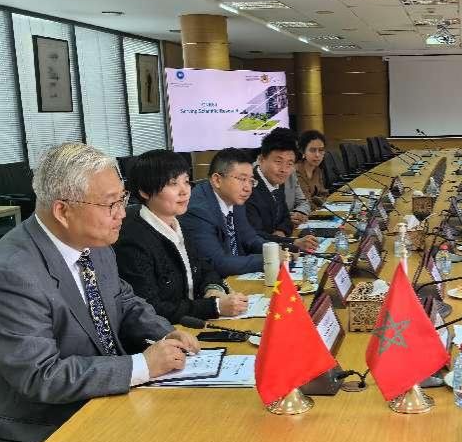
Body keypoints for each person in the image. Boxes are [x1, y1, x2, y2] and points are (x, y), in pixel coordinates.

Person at [0, 143, 199, 442]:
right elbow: (42, 376)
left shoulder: (93, 242)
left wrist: (164, 331)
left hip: (103, 405)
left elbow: (122, 299)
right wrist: (142, 365)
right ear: (63, 211)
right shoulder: (10, 276)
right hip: (42, 436)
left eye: (122, 199)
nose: (122, 214)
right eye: (110, 204)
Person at [115, 149, 249, 323]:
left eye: (186, 181)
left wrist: (213, 289)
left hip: (194, 323)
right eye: (173, 183)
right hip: (167, 332)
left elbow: (205, 267)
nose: (184, 191)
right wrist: (214, 306)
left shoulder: (177, 224)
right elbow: (151, 308)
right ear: (145, 192)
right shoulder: (133, 241)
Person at [180, 148, 267, 278]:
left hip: (238, 278)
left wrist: (277, 250)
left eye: (251, 181)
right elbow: (217, 263)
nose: (248, 188)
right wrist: (269, 259)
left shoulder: (234, 200)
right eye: (242, 179)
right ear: (217, 180)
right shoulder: (198, 210)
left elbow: (250, 238)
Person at [245, 128, 319, 252]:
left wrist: (282, 231)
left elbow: (285, 217)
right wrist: (291, 243)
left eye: (289, 164)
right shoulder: (248, 187)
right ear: (262, 159)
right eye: (278, 162)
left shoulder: (277, 181)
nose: (284, 170)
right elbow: (254, 235)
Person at [296, 129, 329, 210]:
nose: (317, 155)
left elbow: (323, 194)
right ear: (303, 152)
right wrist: (322, 209)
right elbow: (305, 202)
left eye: (321, 150)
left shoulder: (317, 170)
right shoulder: (296, 172)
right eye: (312, 150)